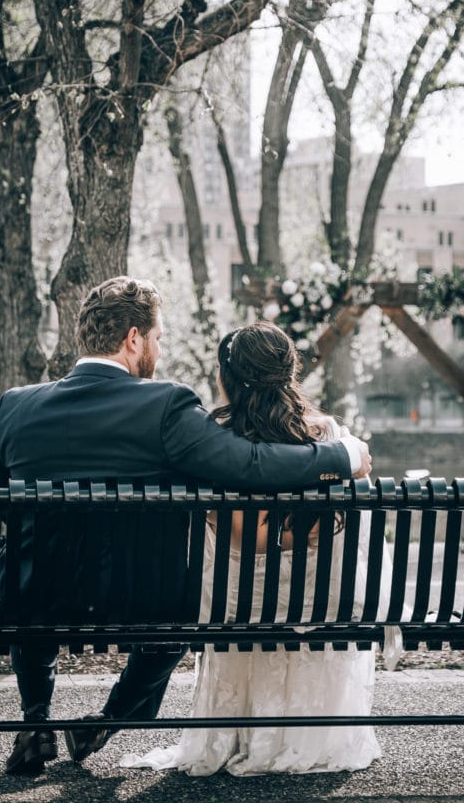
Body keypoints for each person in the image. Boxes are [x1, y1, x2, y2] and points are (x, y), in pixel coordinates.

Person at [0, 277, 371, 776]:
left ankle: (36, 721)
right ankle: (111, 717)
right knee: (178, 619)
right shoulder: (163, 406)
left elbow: (2, 500)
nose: (159, 347)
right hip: (137, 605)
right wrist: (341, 455)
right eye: (158, 337)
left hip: (31, 595)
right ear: (133, 338)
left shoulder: (15, 406)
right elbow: (251, 465)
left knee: (32, 576)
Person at [120, 322, 402, 777]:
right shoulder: (331, 435)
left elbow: (227, 538)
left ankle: (240, 736)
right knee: (305, 596)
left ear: (225, 378)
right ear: (290, 372)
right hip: (321, 609)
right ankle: (306, 739)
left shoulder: (215, 440)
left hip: (240, 608)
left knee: (239, 590)